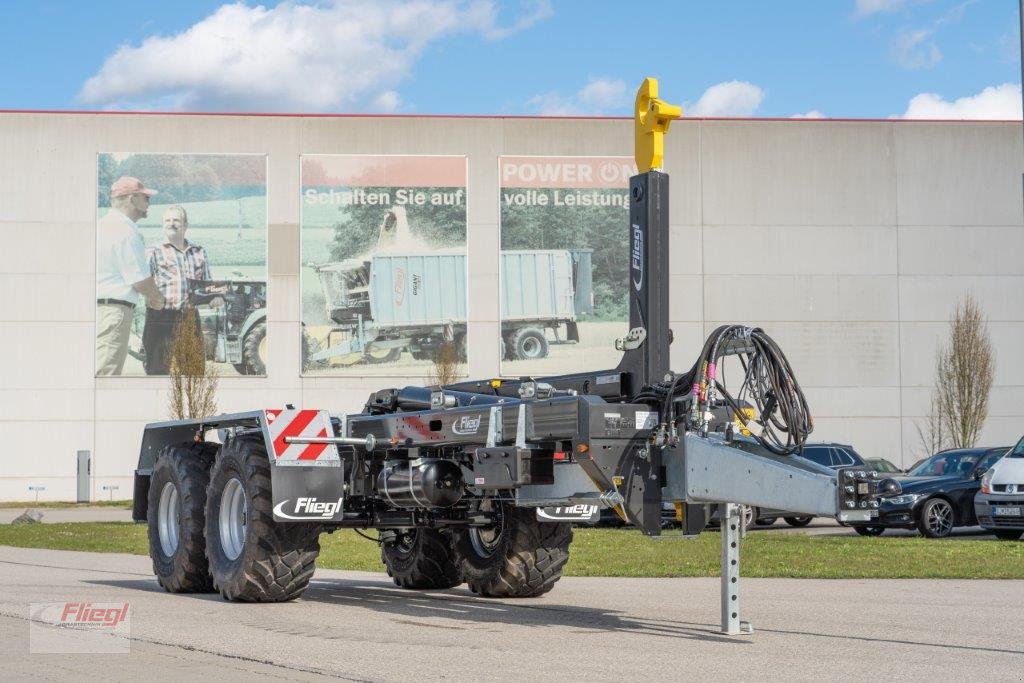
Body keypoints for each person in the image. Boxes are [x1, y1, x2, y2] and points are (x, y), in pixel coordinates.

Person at [96, 176, 165, 376]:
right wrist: (157, 298)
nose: (149, 204)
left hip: (100, 308)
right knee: (106, 374)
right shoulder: (125, 230)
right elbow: (140, 280)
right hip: (113, 311)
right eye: (146, 199)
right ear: (132, 199)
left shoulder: (103, 225)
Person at [143, 205, 218, 375]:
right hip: (160, 318)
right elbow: (142, 282)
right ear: (163, 225)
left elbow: (208, 286)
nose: (171, 223)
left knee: (194, 373)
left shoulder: (199, 252)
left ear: (185, 225)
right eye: (167, 220)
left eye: (176, 220)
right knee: (156, 372)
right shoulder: (153, 251)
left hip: (189, 317)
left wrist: (215, 297)